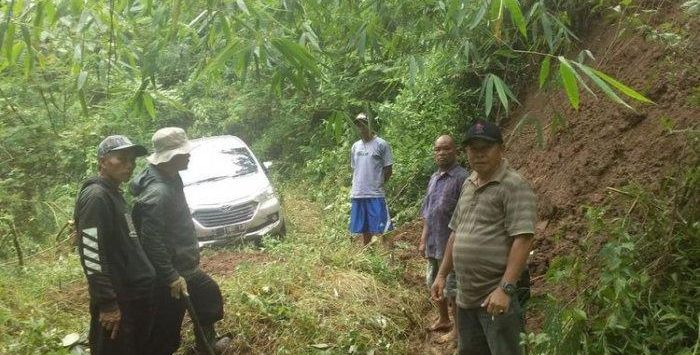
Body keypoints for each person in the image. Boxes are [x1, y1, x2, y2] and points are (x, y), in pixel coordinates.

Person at [431, 120, 537, 355]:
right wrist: (441, 274)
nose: (478, 155)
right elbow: (456, 233)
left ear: (501, 148)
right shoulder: (469, 183)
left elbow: (523, 238)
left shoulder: (514, 185)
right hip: (465, 296)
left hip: (496, 298)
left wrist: (505, 289)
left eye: (485, 148)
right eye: (473, 149)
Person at [130, 127, 229, 354]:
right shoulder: (158, 192)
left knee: (207, 297)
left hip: (181, 264)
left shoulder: (170, 176)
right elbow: (150, 240)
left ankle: (206, 345)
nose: (189, 155)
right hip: (171, 271)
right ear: (171, 157)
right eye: (185, 152)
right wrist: (171, 276)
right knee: (166, 326)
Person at [73, 135, 155, 355]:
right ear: (102, 161)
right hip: (117, 300)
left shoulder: (114, 193)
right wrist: (108, 303)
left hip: (132, 296)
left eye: (132, 160)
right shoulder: (96, 197)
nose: (129, 165)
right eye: (121, 158)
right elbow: (91, 253)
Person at [420, 135, 468, 341]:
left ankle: (458, 331)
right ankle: (443, 319)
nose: (441, 153)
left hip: (451, 244)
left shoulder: (462, 178)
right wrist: (423, 239)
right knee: (433, 280)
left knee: (452, 288)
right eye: (437, 149)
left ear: (455, 151)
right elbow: (428, 212)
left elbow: (465, 215)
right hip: (433, 240)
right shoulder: (434, 178)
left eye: (446, 149)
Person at [349, 113, 394, 245]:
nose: (361, 127)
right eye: (358, 124)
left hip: (375, 193)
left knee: (383, 227)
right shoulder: (355, 146)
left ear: (370, 124)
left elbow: (388, 169)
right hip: (358, 193)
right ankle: (368, 252)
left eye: (363, 123)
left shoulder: (382, 144)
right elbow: (354, 168)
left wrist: (378, 184)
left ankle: (388, 254)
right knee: (364, 227)